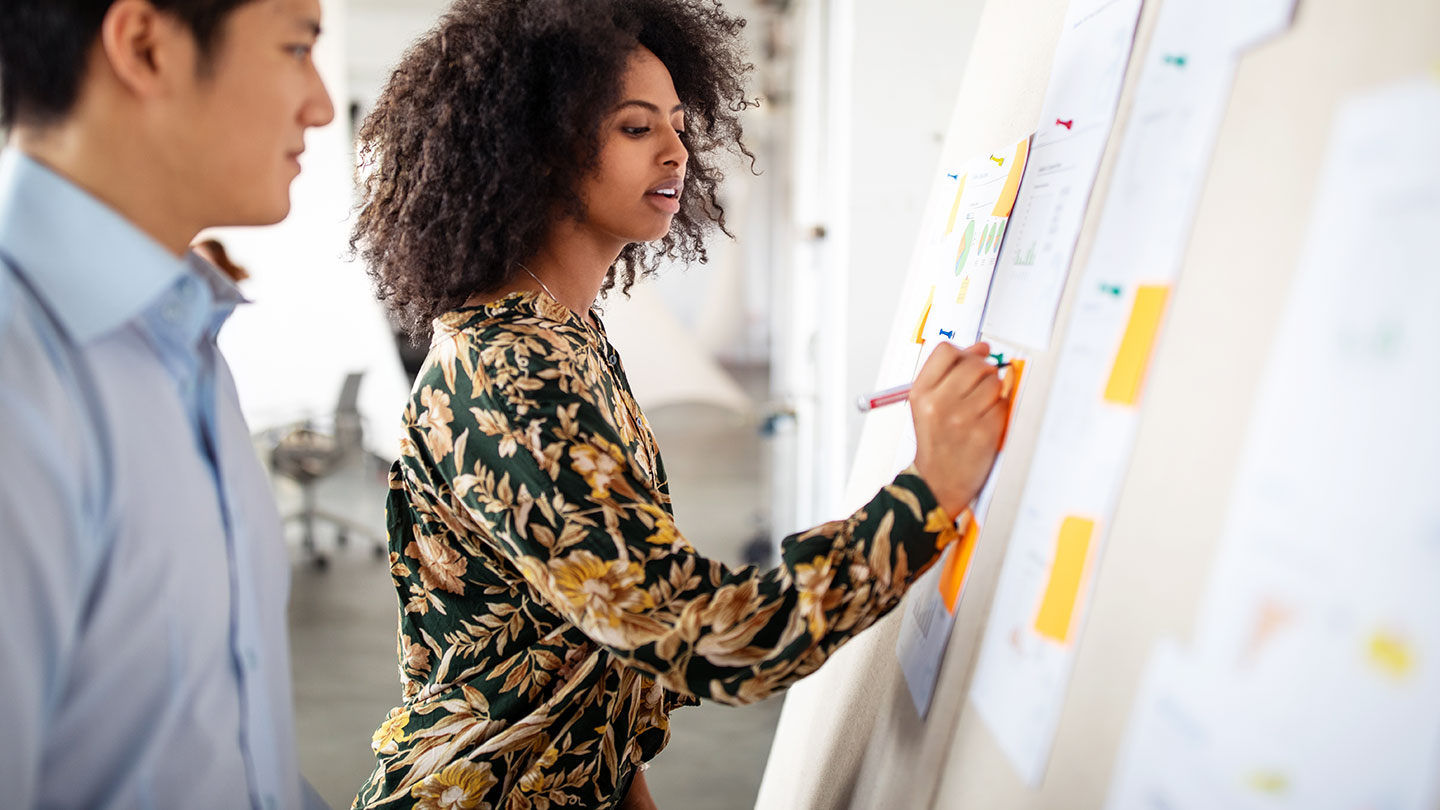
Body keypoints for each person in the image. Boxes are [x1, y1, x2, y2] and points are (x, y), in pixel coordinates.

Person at [349, 1, 1006, 808]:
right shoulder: (513, 372)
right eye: (635, 128)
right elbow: (706, 636)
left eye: (678, 123)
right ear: (540, 149)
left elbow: (579, 628)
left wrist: (621, 776)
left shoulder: (563, 335)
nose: (677, 150)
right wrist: (928, 493)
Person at [0, 1, 335, 807]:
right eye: (295, 47)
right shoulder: (20, 382)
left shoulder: (184, 340)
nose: (321, 103)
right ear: (146, 47)